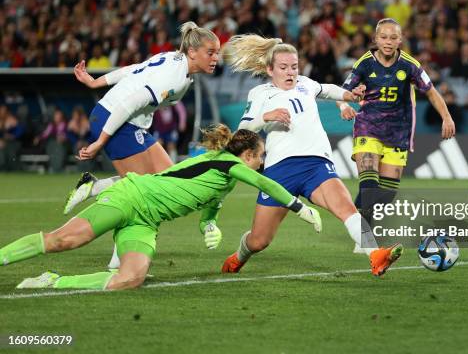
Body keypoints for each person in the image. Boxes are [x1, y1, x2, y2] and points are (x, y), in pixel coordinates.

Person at [0, 125, 321, 290]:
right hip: (132, 196)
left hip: (146, 221)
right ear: (248, 154)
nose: (263, 162)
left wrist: (209, 225)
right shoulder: (226, 162)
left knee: (129, 279)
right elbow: (266, 185)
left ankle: (53, 281)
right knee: (65, 240)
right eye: (261, 155)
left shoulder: (226, 176)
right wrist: (297, 205)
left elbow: (211, 206)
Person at [220, 34, 403, 277]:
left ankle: (375, 255)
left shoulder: (305, 84)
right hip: (279, 172)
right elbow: (243, 129)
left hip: (317, 164)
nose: (290, 73)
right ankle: (238, 257)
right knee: (259, 241)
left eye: (294, 67)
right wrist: (267, 116)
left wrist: (349, 95)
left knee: (346, 208)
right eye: (283, 68)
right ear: (269, 69)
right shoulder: (260, 93)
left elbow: (327, 89)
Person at [63, 21, 220, 269]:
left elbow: (134, 68)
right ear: (192, 52)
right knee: (143, 196)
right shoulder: (175, 77)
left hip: (130, 124)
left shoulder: (175, 61)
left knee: (170, 179)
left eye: (217, 52)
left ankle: (95, 186)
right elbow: (129, 104)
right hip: (116, 120)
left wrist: (96, 82)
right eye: (210, 53)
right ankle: (119, 261)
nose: (215, 58)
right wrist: (100, 142)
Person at [338, 18, 455, 252]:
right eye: (383, 37)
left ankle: (353, 208)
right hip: (368, 127)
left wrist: (447, 116)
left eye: (393, 37)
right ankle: (364, 239)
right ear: (375, 39)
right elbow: (343, 91)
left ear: (400, 40)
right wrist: (344, 106)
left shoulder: (410, 65)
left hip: (397, 133)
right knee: (369, 185)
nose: (388, 42)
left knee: (386, 195)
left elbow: (431, 92)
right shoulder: (364, 64)